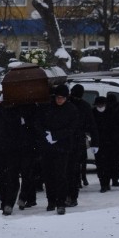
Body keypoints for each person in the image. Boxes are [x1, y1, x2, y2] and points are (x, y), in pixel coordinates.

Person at [40, 84, 79, 215]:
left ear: (66, 98)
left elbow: (72, 128)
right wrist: (46, 134)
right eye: (57, 97)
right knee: (48, 175)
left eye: (62, 98)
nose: (59, 100)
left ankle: (61, 203)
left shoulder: (71, 109)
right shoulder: (48, 108)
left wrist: (56, 136)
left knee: (61, 175)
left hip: (63, 147)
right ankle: (51, 201)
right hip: (48, 147)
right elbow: (39, 123)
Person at [67, 84, 98, 206]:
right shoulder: (84, 106)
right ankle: (71, 196)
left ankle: (71, 196)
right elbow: (92, 125)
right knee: (73, 171)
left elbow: (91, 124)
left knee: (70, 171)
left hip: (73, 141)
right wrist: (95, 142)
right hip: (76, 140)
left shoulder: (70, 104)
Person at [91, 96, 119, 193]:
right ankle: (103, 184)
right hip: (97, 143)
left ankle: (107, 182)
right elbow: (90, 127)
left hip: (110, 143)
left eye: (101, 105)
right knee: (100, 165)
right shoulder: (93, 113)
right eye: (98, 105)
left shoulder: (111, 112)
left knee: (109, 164)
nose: (100, 107)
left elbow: (116, 127)